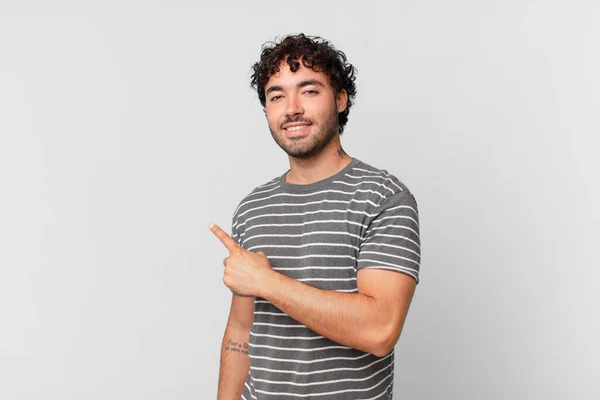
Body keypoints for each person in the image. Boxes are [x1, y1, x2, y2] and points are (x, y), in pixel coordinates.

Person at [209, 33, 420, 399]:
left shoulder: (384, 197)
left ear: (340, 99)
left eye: (308, 91)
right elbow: (242, 331)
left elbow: (379, 331)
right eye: (277, 95)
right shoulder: (251, 208)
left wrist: (267, 282)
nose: (291, 108)